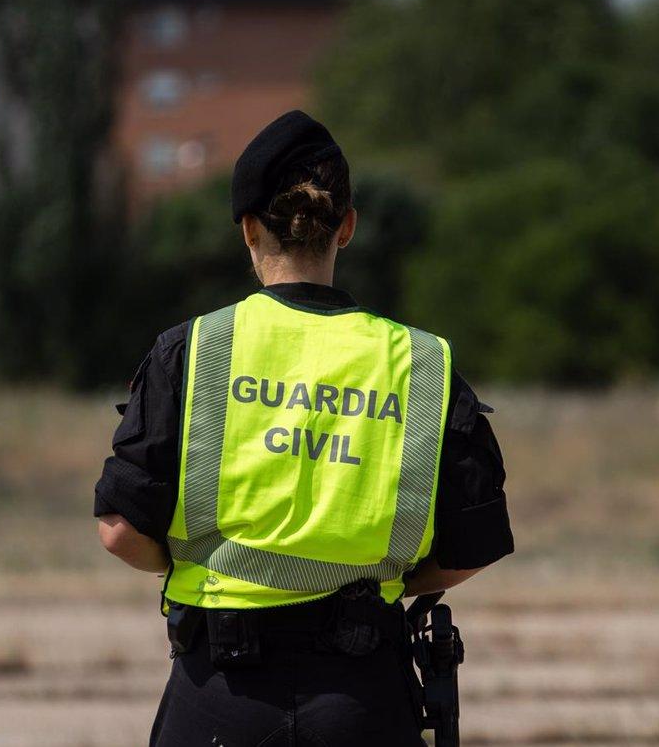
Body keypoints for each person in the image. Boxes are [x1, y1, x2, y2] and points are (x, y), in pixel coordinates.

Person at [94, 110, 514, 746]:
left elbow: (120, 529)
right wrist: (383, 583)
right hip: (364, 699)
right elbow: (472, 544)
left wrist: (202, 569)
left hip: (218, 694)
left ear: (247, 229)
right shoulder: (423, 364)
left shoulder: (193, 350)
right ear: (346, 227)